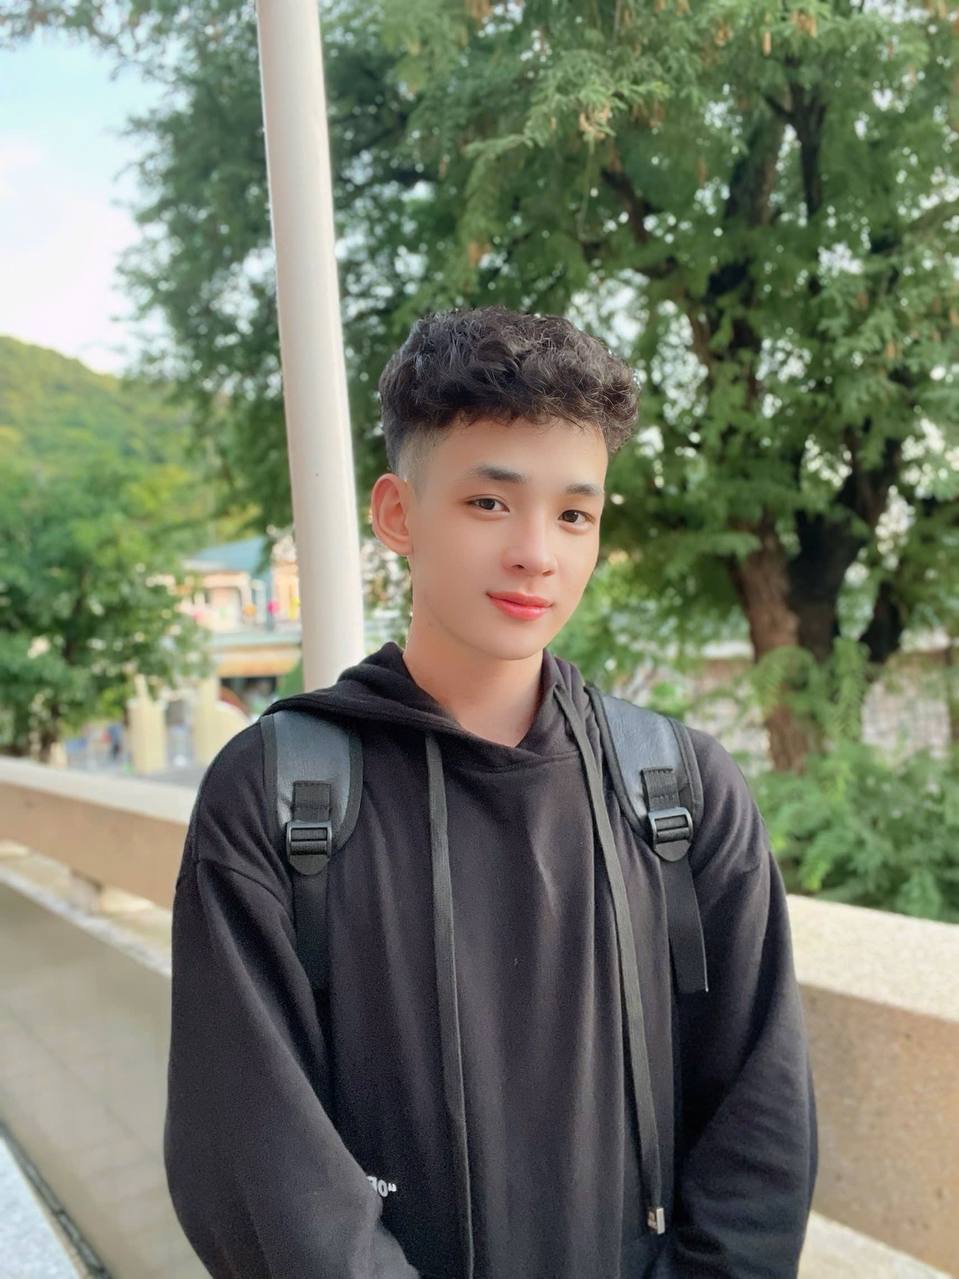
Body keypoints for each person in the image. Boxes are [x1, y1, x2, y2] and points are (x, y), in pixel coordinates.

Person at [164, 306, 817, 1279]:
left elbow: (761, 1123)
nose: (535, 553)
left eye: (573, 514)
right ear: (397, 514)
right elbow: (255, 1154)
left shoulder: (678, 791)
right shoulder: (277, 796)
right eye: (487, 502)